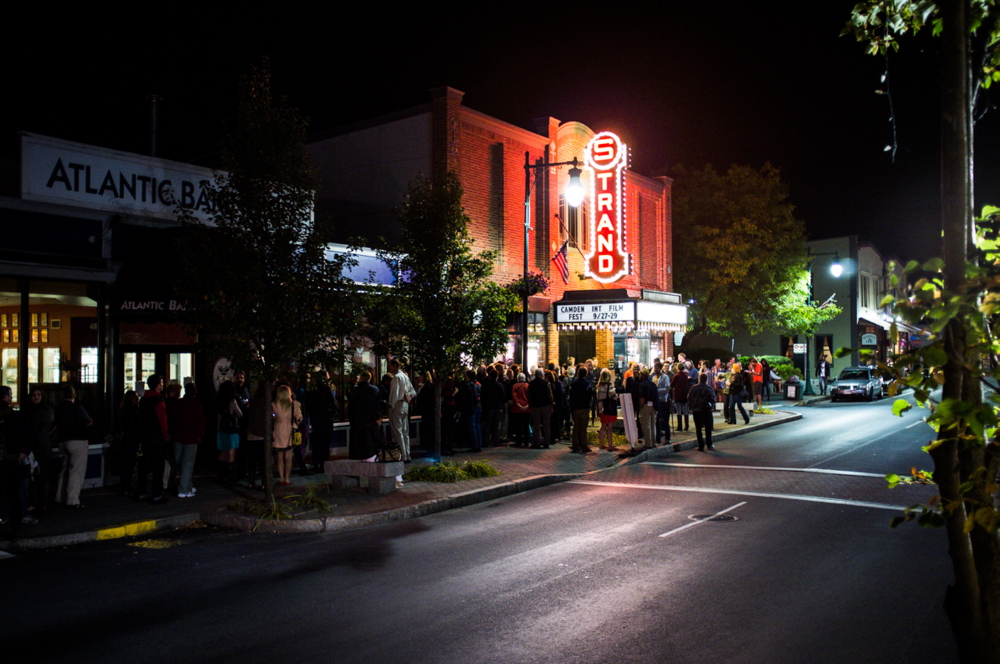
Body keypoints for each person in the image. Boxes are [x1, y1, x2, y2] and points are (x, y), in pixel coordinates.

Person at [54, 385, 93, 508]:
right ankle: (72, 500)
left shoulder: (58, 408)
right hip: (77, 441)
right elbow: (89, 422)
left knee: (65, 468)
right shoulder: (77, 407)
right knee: (76, 471)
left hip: (62, 441)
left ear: (63, 395)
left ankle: (59, 496)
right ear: (74, 395)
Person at [0, 385, 30, 533]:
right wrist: (24, 450)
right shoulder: (13, 415)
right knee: (14, 493)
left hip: (7, 457)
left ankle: (6, 517)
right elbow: (24, 434)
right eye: (10, 395)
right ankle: (16, 525)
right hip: (11, 458)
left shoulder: (10, 415)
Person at [24, 387, 54, 513]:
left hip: (41, 446)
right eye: (34, 395)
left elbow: (43, 428)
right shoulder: (28, 410)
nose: (36, 397)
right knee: (31, 476)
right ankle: (34, 501)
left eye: (38, 395)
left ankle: (42, 503)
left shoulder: (46, 410)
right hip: (30, 446)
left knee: (41, 475)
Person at [173, 383, 206, 498]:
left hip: (178, 436)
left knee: (179, 462)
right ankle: (183, 489)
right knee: (187, 463)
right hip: (191, 438)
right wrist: (199, 435)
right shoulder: (195, 405)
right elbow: (200, 422)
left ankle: (187, 485)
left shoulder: (179, 403)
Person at [307, 371, 338, 473]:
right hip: (325, 420)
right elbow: (333, 405)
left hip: (316, 420)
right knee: (325, 443)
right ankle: (324, 464)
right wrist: (332, 415)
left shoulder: (312, 389)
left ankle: (316, 463)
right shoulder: (327, 389)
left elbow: (309, 405)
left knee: (316, 442)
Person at [271, 384, 302, 486]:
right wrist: (296, 424)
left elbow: (273, 417)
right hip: (290, 430)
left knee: (279, 457)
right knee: (288, 457)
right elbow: (299, 418)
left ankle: (281, 477)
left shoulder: (274, 405)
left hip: (278, 430)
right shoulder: (295, 404)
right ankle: (287, 478)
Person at [349, 369, 382, 461]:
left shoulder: (356, 390)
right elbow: (377, 405)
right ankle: (370, 456)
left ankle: (357, 456)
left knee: (357, 440)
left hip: (358, 419)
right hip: (370, 419)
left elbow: (351, 405)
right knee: (369, 439)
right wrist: (378, 417)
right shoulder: (374, 390)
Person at [388, 358, 417, 462]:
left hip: (397, 405)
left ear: (395, 366)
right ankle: (407, 454)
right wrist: (408, 396)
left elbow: (394, 394)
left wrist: (391, 405)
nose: (389, 367)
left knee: (397, 431)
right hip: (405, 405)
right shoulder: (405, 376)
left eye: (390, 365)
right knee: (405, 431)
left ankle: (402, 455)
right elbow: (413, 391)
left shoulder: (396, 378)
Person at [215, 379, 242, 484]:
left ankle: (221, 475)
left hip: (222, 429)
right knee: (231, 453)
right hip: (231, 430)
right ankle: (231, 477)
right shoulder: (232, 401)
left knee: (223, 451)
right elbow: (240, 414)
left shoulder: (219, 400)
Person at [117, 390, 140, 498]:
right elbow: (134, 426)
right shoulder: (132, 410)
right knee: (129, 465)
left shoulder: (123, 409)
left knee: (125, 466)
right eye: (136, 397)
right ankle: (127, 488)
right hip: (131, 441)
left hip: (125, 440)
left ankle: (125, 487)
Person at [688, 373, 717, 451]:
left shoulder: (693, 388)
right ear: (706, 379)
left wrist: (691, 407)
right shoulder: (709, 388)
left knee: (698, 428)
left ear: (699, 379)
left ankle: (701, 445)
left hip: (696, 410)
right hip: (706, 409)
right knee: (708, 428)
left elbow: (689, 398)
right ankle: (709, 444)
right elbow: (713, 399)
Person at [569, 367, 593, 453]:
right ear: (586, 374)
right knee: (583, 428)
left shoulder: (574, 383)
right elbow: (590, 396)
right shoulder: (587, 384)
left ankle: (575, 446)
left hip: (576, 408)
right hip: (584, 407)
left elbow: (571, 396)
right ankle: (584, 446)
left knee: (576, 427)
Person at [527, 369, 553, 449]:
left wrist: (530, 404)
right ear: (542, 375)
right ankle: (546, 442)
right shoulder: (546, 383)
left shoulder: (531, 384)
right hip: (545, 405)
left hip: (535, 406)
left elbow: (529, 395)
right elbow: (550, 396)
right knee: (546, 425)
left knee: (536, 425)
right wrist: (551, 405)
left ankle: (537, 442)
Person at [596, 368, 618, 451]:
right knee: (610, 427)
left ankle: (601, 444)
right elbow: (615, 397)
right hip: (610, 409)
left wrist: (599, 410)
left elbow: (599, 399)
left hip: (602, 409)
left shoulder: (599, 387)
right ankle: (610, 445)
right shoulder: (610, 386)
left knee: (603, 427)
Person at [637, 369, 659, 448]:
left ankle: (648, 443)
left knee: (646, 424)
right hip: (654, 406)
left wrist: (641, 407)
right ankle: (653, 442)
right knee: (653, 425)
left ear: (642, 375)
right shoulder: (653, 384)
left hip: (646, 405)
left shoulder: (642, 384)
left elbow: (642, 398)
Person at [670, 363, 690, 432]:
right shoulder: (685, 376)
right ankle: (686, 426)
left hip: (678, 394)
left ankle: (680, 426)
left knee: (679, 411)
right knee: (685, 411)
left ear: (677, 368)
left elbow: (672, 384)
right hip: (684, 394)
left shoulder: (676, 376)